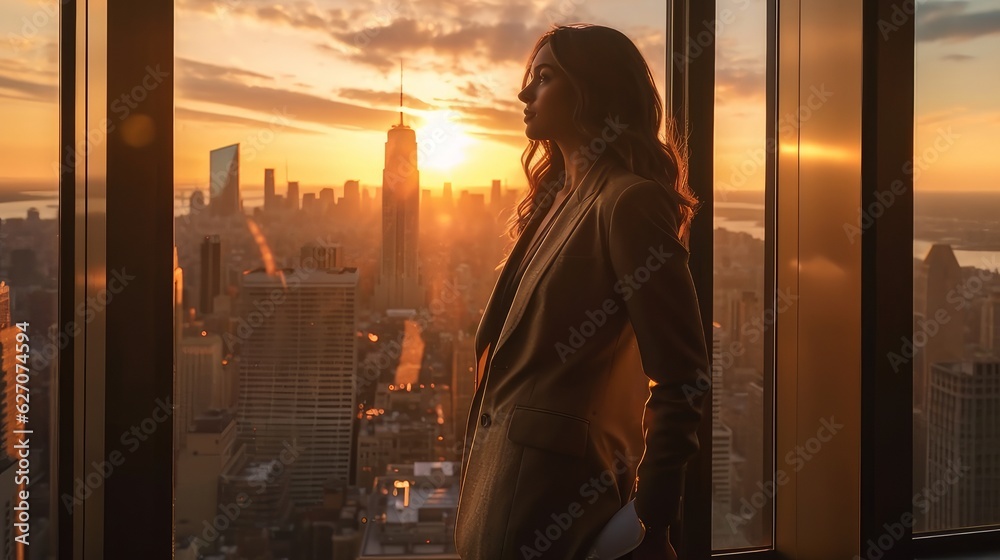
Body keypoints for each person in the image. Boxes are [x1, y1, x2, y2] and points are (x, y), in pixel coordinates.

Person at [455, 23, 711, 560]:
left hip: (560, 509)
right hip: (500, 494)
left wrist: (652, 520)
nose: (525, 93)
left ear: (593, 90)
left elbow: (682, 378)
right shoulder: (552, 204)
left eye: (545, 78)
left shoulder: (629, 203)